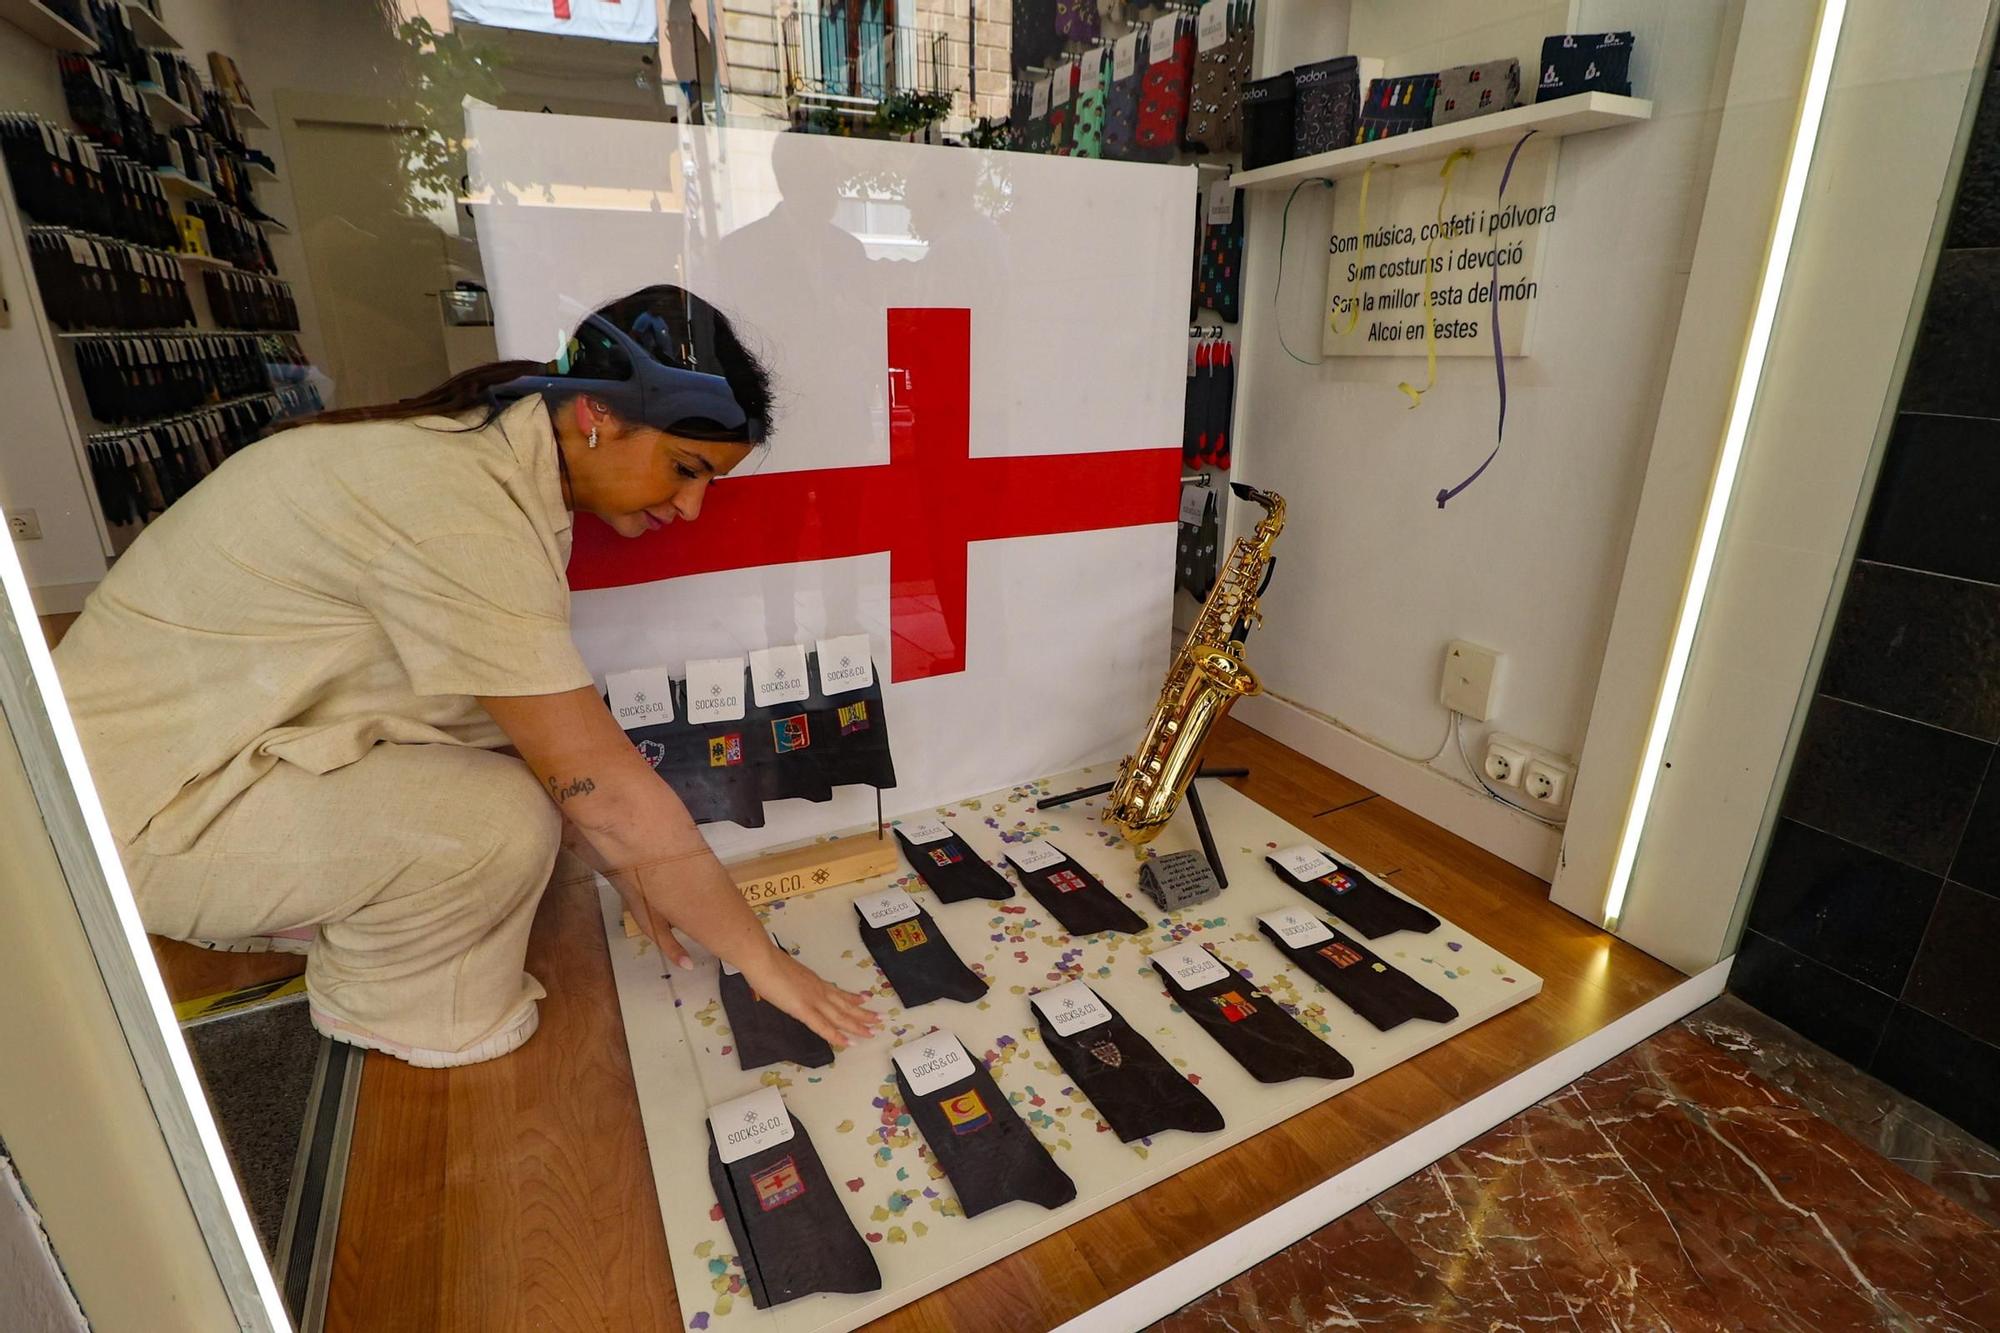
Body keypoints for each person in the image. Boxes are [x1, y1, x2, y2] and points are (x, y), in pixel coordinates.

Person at [54, 285, 883, 1067]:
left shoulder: (480, 455)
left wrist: (640, 870)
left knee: (529, 780)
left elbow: (553, 751)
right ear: (596, 415)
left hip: (168, 771)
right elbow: (603, 789)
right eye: (685, 469)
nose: (691, 508)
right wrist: (762, 961)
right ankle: (384, 1003)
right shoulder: (457, 503)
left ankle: (321, 910)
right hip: (132, 817)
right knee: (499, 825)